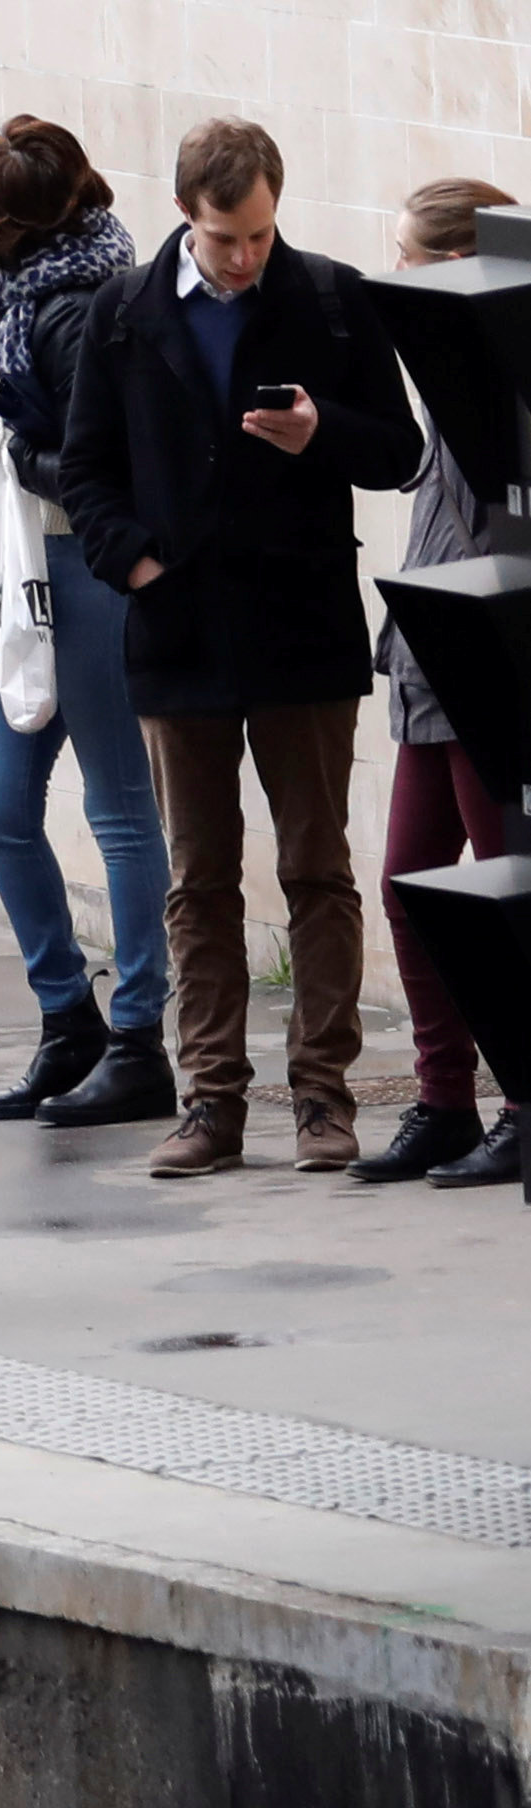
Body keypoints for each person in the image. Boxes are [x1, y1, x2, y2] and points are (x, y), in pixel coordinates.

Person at [48, 116, 431, 1176]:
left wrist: (327, 435)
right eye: (227, 239)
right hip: (177, 630)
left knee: (318, 867)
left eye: (262, 233)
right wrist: (133, 564)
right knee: (198, 877)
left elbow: (400, 451)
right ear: (186, 216)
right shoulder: (121, 312)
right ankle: (211, 1101)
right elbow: (83, 468)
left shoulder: (331, 297)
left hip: (301, 622)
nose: (247, 256)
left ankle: (323, 1095)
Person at [0, 117, 168, 1126]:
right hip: (36, 563)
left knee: (116, 804)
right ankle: (71, 1019)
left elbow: (104, 472)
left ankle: (139, 1035)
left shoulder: (75, 307)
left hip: (84, 566)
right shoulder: (42, 287)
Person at [372, 176, 531, 1184]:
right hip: (430, 658)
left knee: (492, 886)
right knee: (407, 883)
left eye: (411, 263)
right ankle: (445, 1101)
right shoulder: (456, 366)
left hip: (488, 659)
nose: (395, 281)